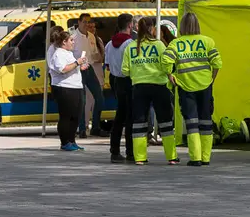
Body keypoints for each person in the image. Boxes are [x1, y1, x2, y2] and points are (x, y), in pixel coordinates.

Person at [163, 12, 223, 166]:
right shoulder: (208, 41)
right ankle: (206, 157)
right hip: (205, 85)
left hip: (186, 86)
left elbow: (166, 60)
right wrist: (212, 79)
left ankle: (195, 158)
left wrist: (170, 75)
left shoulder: (176, 43)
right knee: (206, 121)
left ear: (182, 26)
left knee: (191, 122)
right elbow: (217, 63)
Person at [123, 17, 178, 165]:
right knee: (166, 122)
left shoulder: (131, 47)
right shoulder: (159, 45)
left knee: (139, 123)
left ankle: (140, 157)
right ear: (152, 28)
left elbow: (125, 70)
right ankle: (171, 157)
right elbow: (166, 65)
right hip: (159, 86)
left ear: (138, 29)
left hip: (139, 87)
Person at [49, 29, 88, 151]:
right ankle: (65, 142)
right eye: (71, 40)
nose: (73, 42)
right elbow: (63, 69)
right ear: (64, 42)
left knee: (76, 115)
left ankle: (72, 140)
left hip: (76, 86)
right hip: (64, 88)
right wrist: (77, 63)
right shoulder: (58, 53)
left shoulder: (68, 53)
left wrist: (81, 67)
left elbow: (72, 68)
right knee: (66, 116)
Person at [105, 13, 135, 163]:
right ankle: (130, 151)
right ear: (130, 25)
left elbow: (107, 66)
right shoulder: (130, 44)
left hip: (116, 80)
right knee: (130, 117)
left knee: (120, 116)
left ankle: (115, 150)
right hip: (128, 80)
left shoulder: (109, 44)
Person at [72, 13, 107, 138]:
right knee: (82, 100)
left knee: (100, 97)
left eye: (88, 22)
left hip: (89, 67)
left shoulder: (91, 36)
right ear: (79, 22)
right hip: (77, 69)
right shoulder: (73, 37)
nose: (87, 25)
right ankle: (82, 128)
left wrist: (100, 56)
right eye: (84, 22)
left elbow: (94, 54)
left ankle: (96, 126)